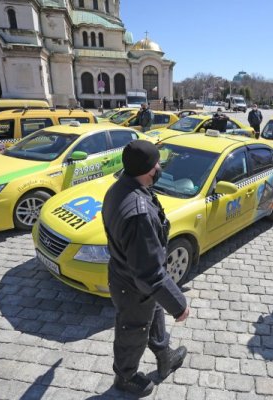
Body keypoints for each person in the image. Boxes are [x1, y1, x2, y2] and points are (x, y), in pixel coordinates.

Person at [102, 140, 189, 397]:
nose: (160, 167)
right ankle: (125, 377)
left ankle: (165, 356)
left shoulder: (121, 187)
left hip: (132, 279)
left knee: (154, 314)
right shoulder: (138, 213)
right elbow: (149, 274)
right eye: (156, 163)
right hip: (132, 285)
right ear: (148, 169)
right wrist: (180, 305)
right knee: (133, 330)